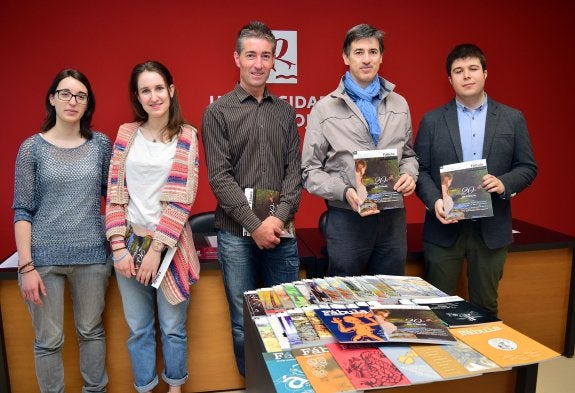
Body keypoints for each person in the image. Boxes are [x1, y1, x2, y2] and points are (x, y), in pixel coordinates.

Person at [201, 21, 302, 376]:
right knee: (246, 321)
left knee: (286, 318)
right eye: (251, 55)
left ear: (274, 60)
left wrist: (278, 218)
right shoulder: (218, 113)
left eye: (266, 56)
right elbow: (219, 177)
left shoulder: (285, 111)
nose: (258, 63)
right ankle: (254, 383)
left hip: (280, 230)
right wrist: (255, 224)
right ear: (237, 58)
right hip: (236, 235)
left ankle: (287, 381)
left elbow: (294, 172)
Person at [414, 44, 538, 316]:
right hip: (443, 228)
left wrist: (504, 183)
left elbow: (528, 167)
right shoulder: (432, 121)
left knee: (485, 308)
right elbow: (419, 170)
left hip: (492, 230)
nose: (466, 76)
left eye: (472, 69)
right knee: (438, 310)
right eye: (458, 71)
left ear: (485, 73)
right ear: (450, 79)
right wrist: (434, 200)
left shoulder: (511, 119)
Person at [13, 69, 112, 392]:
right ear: (52, 99)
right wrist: (26, 266)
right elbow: (22, 210)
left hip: (92, 258)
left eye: (80, 96)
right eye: (66, 93)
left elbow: (114, 199)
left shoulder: (100, 145)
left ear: (88, 105)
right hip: (43, 261)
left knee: (91, 331)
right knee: (48, 341)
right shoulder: (32, 148)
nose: (73, 101)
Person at [105, 61, 200, 393]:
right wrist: (119, 248)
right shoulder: (126, 134)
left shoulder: (187, 136)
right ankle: (144, 388)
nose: (154, 96)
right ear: (137, 96)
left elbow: (183, 198)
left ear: (171, 91)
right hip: (129, 244)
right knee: (139, 329)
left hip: (170, 247)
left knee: (173, 328)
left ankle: (175, 387)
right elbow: (115, 194)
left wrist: (157, 250)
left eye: (159, 88)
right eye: (146, 90)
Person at [301, 23, 418, 277]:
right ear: (345, 57)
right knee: (346, 300)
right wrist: (344, 192)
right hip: (347, 218)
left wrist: (410, 174)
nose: (367, 59)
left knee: (391, 296)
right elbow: (309, 172)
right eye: (359, 52)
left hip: (392, 217)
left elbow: (408, 155)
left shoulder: (400, 104)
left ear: (381, 57)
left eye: (373, 52)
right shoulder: (324, 109)